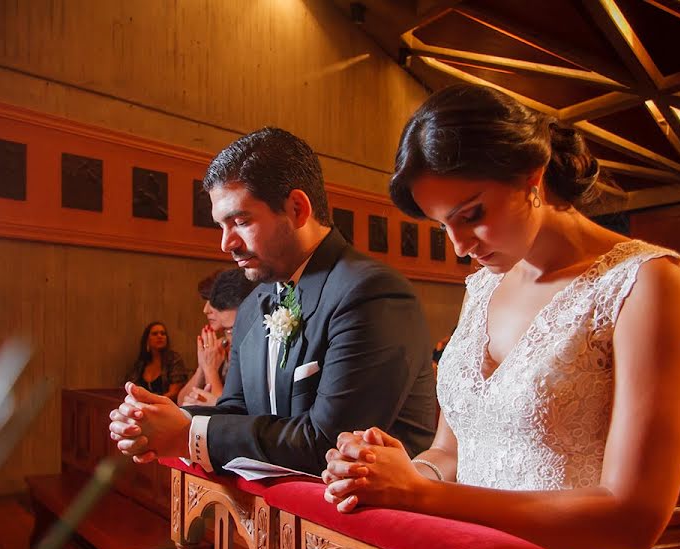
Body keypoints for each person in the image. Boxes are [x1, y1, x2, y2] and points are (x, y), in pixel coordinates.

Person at [321, 84, 680, 549]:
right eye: (443, 226)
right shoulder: (483, 286)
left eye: (472, 214)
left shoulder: (648, 281)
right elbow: (452, 453)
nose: (459, 246)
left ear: (532, 176)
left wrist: (419, 496)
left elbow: (634, 519)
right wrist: (391, 470)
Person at [110, 127, 436, 475]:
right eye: (221, 225)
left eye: (240, 221)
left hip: (366, 520)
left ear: (297, 208)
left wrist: (189, 434)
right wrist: (163, 421)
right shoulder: (254, 304)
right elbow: (237, 410)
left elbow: (330, 443)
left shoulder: (370, 293)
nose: (226, 243)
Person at [178, 268, 257, 407]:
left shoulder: (252, 346)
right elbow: (182, 402)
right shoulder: (218, 347)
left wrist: (210, 370)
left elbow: (229, 410)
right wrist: (203, 366)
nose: (206, 309)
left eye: (212, 302)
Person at [123, 321, 188, 403]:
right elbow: (131, 387)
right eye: (155, 334)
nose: (159, 336)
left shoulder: (174, 359)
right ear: (147, 340)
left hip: (167, 407)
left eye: (163, 333)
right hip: (143, 407)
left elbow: (174, 393)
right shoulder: (141, 364)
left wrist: (151, 401)